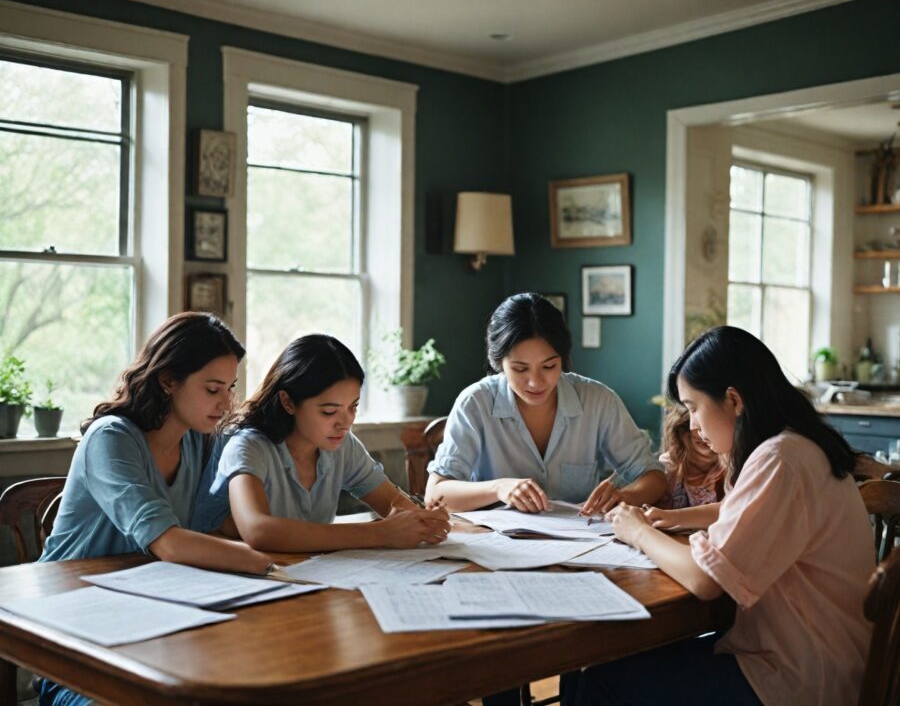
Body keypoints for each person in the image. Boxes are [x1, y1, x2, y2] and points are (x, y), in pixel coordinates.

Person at [577, 326, 875, 706]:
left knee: (599, 682)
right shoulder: (795, 444)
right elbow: (742, 513)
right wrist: (669, 519)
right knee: (602, 672)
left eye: (693, 407)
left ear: (733, 400)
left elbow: (705, 580)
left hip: (800, 676)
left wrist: (637, 532)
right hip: (818, 656)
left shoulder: (779, 459)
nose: (694, 425)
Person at [39, 312, 274, 706]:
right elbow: (170, 544)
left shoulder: (200, 441)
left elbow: (224, 527)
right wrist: (267, 564)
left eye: (230, 388)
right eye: (213, 389)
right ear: (168, 380)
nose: (225, 402)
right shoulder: (110, 438)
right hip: (72, 635)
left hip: (151, 613)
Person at [425, 292, 666, 516]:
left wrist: (625, 495)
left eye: (549, 366)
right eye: (520, 369)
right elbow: (435, 494)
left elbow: (654, 477)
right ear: (499, 363)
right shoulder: (475, 403)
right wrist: (498, 488)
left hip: (581, 546)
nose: (535, 382)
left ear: (563, 358)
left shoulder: (598, 401)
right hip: (494, 549)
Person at [213, 334, 450, 551]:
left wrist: (424, 521)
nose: (345, 423)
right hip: (234, 582)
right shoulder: (248, 447)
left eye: (353, 407)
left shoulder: (343, 445)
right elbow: (259, 531)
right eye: (329, 412)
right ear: (288, 402)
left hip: (304, 575)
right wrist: (379, 533)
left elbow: (394, 506)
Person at [639, 407, 726, 532]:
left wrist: (671, 517)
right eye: (700, 442)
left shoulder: (731, 468)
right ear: (682, 434)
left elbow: (731, 512)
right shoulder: (669, 467)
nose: (709, 449)